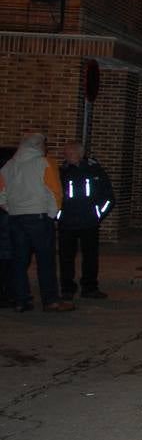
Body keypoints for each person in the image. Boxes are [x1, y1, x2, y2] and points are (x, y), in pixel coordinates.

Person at [0, 132, 73, 312]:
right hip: (38, 216)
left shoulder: (8, 166)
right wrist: (52, 214)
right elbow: (55, 191)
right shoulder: (44, 163)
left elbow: (1, 195)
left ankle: (21, 300)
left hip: (16, 217)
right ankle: (50, 300)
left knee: (19, 260)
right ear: (39, 146)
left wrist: (13, 209)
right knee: (45, 260)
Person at [57, 141, 114, 300]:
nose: (67, 156)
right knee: (66, 257)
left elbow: (108, 196)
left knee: (90, 256)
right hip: (67, 223)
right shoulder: (61, 172)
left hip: (88, 222)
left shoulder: (94, 171)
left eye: (70, 153)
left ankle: (90, 287)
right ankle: (67, 288)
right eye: (65, 153)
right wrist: (59, 215)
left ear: (80, 154)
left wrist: (97, 214)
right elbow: (52, 195)